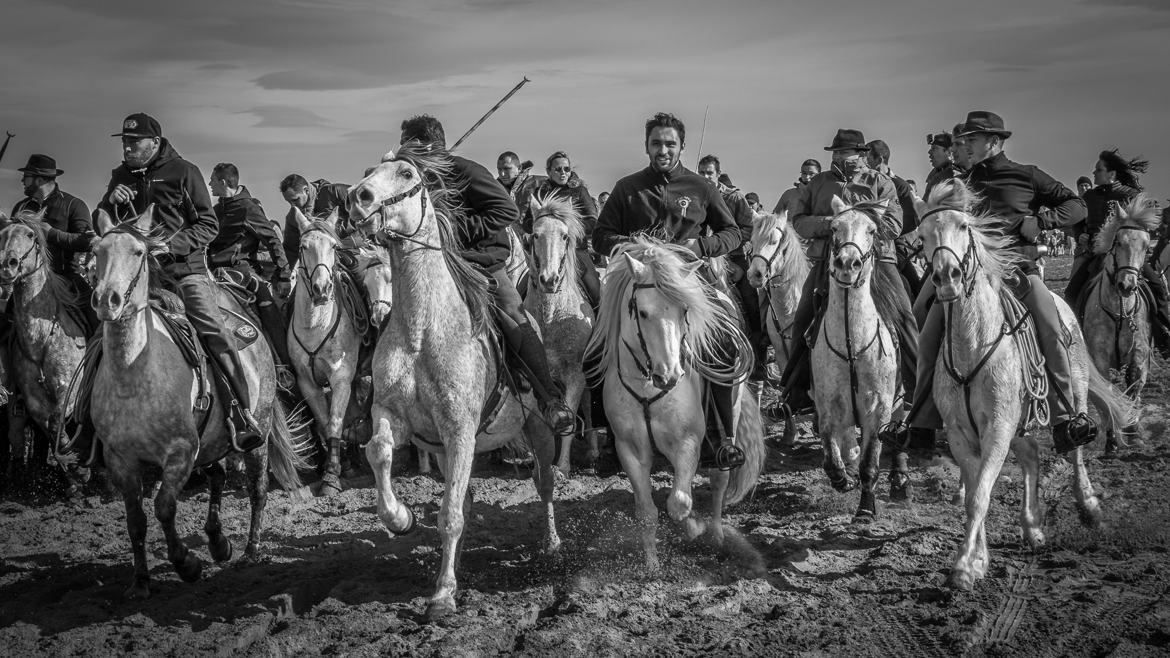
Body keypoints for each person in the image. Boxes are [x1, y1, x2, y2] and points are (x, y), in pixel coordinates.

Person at [907, 111, 1093, 453]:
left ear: (994, 142)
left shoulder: (1027, 175)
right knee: (924, 325)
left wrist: (1042, 220)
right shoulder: (960, 183)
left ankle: (1066, 417)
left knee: (1051, 327)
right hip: (967, 278)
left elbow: (1077, 206)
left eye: (972, 140)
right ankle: (920, 421)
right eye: (963, 141)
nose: (965, 145)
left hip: (1018, 272)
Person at [92, 112, 263, 452]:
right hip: (135, 280)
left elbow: (208, 225)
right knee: (99, 335)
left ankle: (241, 413)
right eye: (124, 142)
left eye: (134, 142)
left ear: (154, 143)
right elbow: (103, 223)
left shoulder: (185, 172)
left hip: (184, 272)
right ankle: (86, 427)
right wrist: (109, 200)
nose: (127, 147)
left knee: (212, 330)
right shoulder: (120, 176)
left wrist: (172, 244)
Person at [397, 115, 575, 437]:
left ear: (423, 145)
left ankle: (550, 399)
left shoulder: (464, 171)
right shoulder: (415, 181)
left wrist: (456, 231)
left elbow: (506, 210)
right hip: (436, 264)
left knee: (512, 313)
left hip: (480, 262)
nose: (400, 150)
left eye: (405, 144)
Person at [594, 112, 747, 469]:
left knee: (723, 343)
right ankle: (607, 439)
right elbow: (600, 235)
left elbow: (734, 232)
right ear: (646, 146)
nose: (663, 150)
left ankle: (722, 437)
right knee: (594, 347)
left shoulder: (701, 187)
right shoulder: (626, 188)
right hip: (639, 279)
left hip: (688, 279)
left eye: (670, 144)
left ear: (681, 146)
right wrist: (631, 244)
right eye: (656, 143)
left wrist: (700, 247)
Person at [776, 129, 919, 441]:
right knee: (802, 319)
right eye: (837, 152)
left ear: (862, 154)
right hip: (829, 261)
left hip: (879, 261)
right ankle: (794, 393)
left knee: (906, 317)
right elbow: (798, 220)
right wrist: (831, 225)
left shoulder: (881, 182)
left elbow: (894, 224)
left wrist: (856, 224)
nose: (840, 157)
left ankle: (919, 389)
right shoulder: (817, 183)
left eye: (847, 153)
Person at [3, 154, 99, 400]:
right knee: (6, 329)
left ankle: (97, 380)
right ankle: (13, 392)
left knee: (99, 325)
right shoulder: (21, 207)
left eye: (27, 176)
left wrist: (53, 234)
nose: (23, 181)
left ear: (39, 178)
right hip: (26, 284)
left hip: (66, 277)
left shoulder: (73, 205)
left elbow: (87, 240)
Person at [1063, 149, 1169, 354]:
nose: (1094, 174)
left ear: (1111, 174)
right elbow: (1078, 223)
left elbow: (1142, 226)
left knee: (1157, 287)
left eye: (1098, 170)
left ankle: (1163, 334)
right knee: (1071, 292)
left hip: (1127, 256)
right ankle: (1074, 338)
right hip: (1095, 253)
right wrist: (1080, 236)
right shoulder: (1089, 196)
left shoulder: (1131, 196)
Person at [207, 163, 296, 388]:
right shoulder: (216, 211)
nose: (209, 184)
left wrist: (284, 275)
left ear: (224, 182)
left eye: (213, 180)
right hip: (212, 272)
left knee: (267, 306)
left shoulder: (248, 207)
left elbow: (272, 240)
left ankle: (286, 369)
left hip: (242, 272)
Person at [697, 153, 766, 379]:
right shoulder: (694, 194)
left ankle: (759, 358)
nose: (706, 176)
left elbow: (748, 228)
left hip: (734, 256)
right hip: (701, 257)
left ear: (718, 174)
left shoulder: (734, 198)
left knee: (751, 301)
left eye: (710, 173)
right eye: (702, 172)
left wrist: (726, 248)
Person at [520, 150, 602, 308]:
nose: (563, 172)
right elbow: (527, 222)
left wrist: (567, 229)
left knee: (596, 291)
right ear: (548, 172)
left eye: (566, 169)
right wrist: (540, 225)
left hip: (576, 250)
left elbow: (592, 221)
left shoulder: (579, 191)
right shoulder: (540, 192)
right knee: (519, 289)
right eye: (558, 169)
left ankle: (601, 322)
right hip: (543, 250)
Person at [867, 139, 924, 299]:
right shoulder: (863, 182)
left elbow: (911, 220)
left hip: (896, 243)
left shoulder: (901, 186)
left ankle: (912, 317)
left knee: (911, 285)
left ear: (879, 160)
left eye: (867, 157)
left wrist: (882, 232)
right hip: (865, 241)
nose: (863, 161)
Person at [279, 174, 352, 270]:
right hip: (319, 262)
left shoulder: (335, 191)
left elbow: (365, 209)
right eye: (289, 202)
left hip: (354, 250)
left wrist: (332, 233)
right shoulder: (293, 217)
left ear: (306, 191)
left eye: (295, 200)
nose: (293, 205)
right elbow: (290, 251)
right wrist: (282, 277)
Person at [924, 132, 963, 199]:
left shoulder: (957, 177)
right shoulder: (933, 177)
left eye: (934, 148)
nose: (929, 152)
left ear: (948, 152)